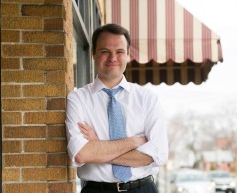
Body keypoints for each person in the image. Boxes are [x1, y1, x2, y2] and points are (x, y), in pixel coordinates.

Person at [65, 23, 168, 193]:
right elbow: (82, 154)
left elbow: (158, 154)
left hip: (143, 188)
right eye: (105, 51)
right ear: (93, 54)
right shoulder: (78, 99)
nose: (113, 58)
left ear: (127, 55)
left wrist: (98, 147)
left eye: (119, 52)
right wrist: (134, 142)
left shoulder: (147, 99)